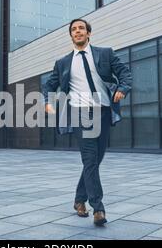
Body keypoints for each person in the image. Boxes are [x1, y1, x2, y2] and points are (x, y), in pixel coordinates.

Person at [42, 18, 132, 226]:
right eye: (74, 29)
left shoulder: (105, 53)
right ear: (71, 35)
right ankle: (98, 209)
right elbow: (49, 85)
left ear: (88, 33)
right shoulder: (63, 62)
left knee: (96, 159)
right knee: (90, 159)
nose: (77, 31)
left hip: (102, 112)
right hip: (79, 114)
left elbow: (125, 73)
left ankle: (79, 199)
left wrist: (123, 89)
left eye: (81, 28)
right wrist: (47, 102)